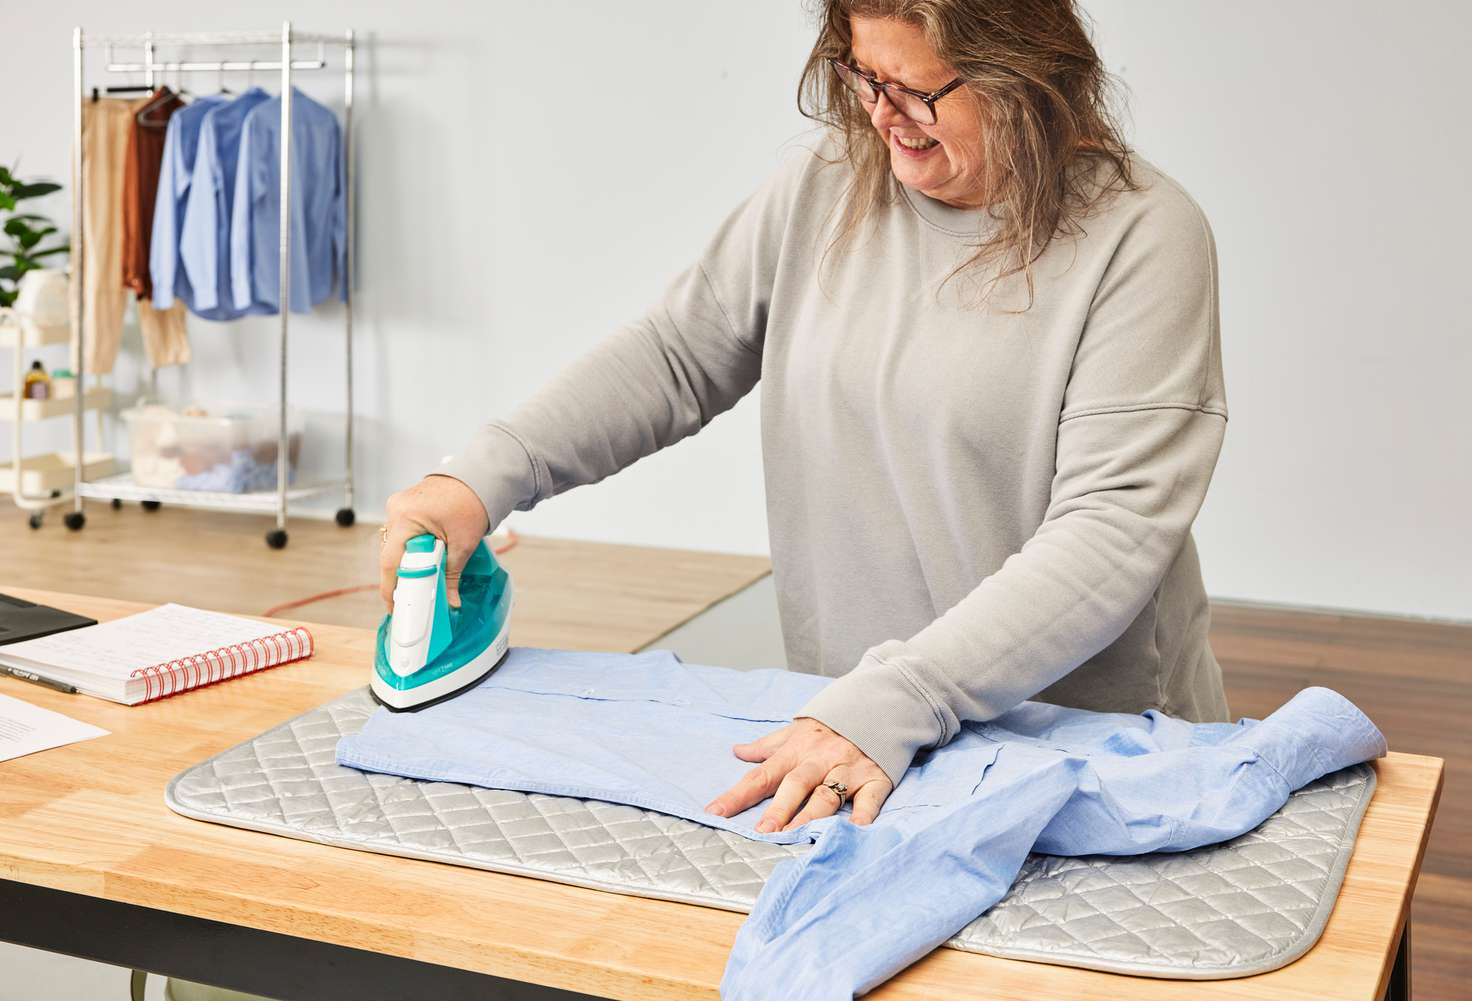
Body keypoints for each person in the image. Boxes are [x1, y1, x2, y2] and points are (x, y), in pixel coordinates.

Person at [380, 0, 1229, 839]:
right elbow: (679, 352)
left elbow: (1108, 533)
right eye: (862, 75)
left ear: (1027, 77)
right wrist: (480, 476)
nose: (880, 115)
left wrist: (895, 698)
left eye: (914, 90)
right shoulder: (831, 180)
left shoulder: (1142, 237)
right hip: (855, 744)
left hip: (1086, 757)